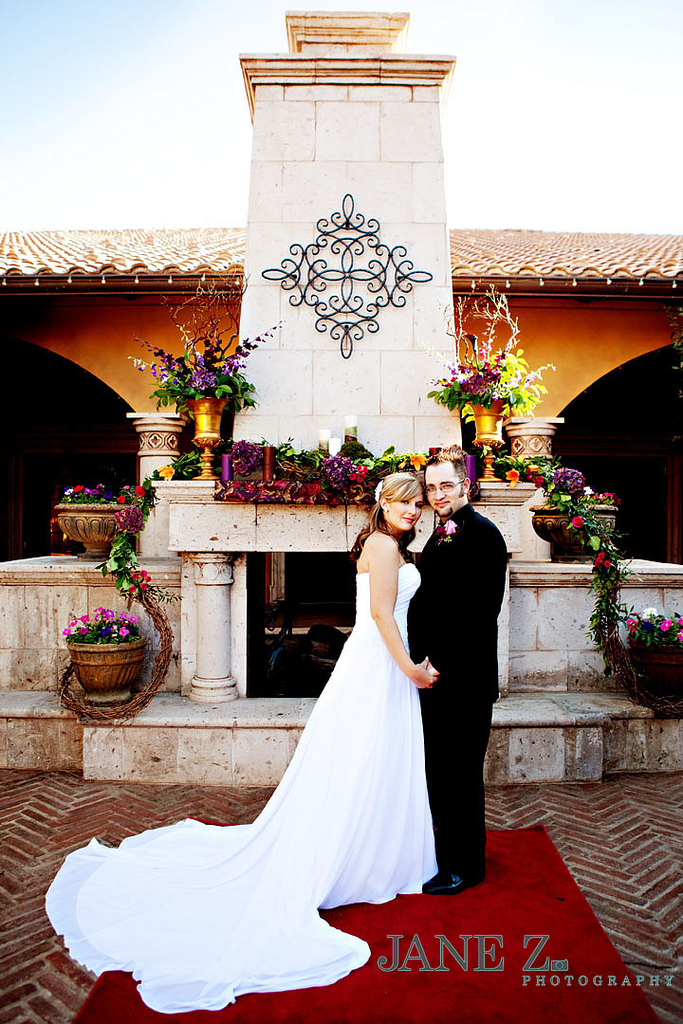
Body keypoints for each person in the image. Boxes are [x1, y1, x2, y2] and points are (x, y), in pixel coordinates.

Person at [45, 472, 438, 1015]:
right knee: (364, 756)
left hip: (375, 662)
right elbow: (378, 615)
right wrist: (410, 669)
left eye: (417, 502)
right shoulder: (384, 546)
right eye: (403, 501)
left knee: (367, 758)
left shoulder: (387, 543)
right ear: (383, 503)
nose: (413, 509)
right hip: (381, 664)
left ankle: (371, 847)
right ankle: (359, 855)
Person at [408, 445, 508, 896]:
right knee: (442, 772)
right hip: (438, 678)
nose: (437, 495)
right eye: (431, 488)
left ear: (465, 484)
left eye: (446, 485)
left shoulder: (483, 534)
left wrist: (436, 664)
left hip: (463, 679)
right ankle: (449, 856)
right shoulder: (441, 532)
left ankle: (465, 868)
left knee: (461, 774)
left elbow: (478, 614)